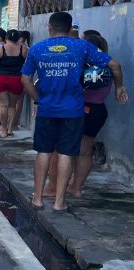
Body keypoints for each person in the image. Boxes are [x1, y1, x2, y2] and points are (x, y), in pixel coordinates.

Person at [21, 12, 125, 213]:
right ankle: (60, 202)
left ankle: (38, 198)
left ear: (49, 28)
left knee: (44, 152)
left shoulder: (37, 49)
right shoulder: (81, 46)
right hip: (73, 109)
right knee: (67, 154)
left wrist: (38, 99)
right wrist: (120, 87)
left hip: (47, 109)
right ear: (70, 29)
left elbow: (25, 79)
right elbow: (115, 65)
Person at [42, 30, 128, 199]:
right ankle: (77, 188)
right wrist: (120, 87)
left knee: (61, 150)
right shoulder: (108, 65)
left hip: (75, 109)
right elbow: (117, 67)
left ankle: (54, 188)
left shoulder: (77, 63)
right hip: (97, 111)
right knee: (85, 151)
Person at [0, 29, 27, 138]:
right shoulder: (23, 49)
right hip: (16, 79)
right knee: (12, 105)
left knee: (3, 105)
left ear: (6, 38)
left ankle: (4, 130)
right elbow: (28, 66)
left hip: (0, 78)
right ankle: (11, 129)